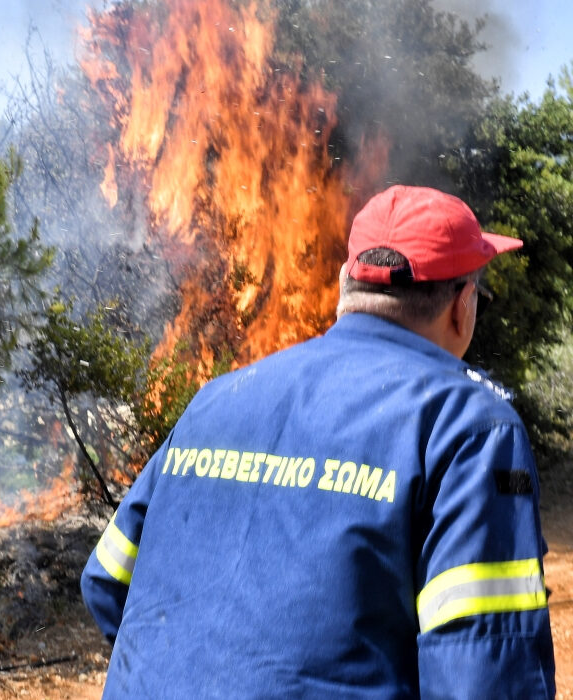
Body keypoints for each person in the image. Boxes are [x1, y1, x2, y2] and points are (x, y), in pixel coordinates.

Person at [81, 185, 556, 698]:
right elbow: (486, 674)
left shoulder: (216, 399)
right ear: (463, 307)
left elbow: (108, 580)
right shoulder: (469, 426)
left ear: (342, 285)